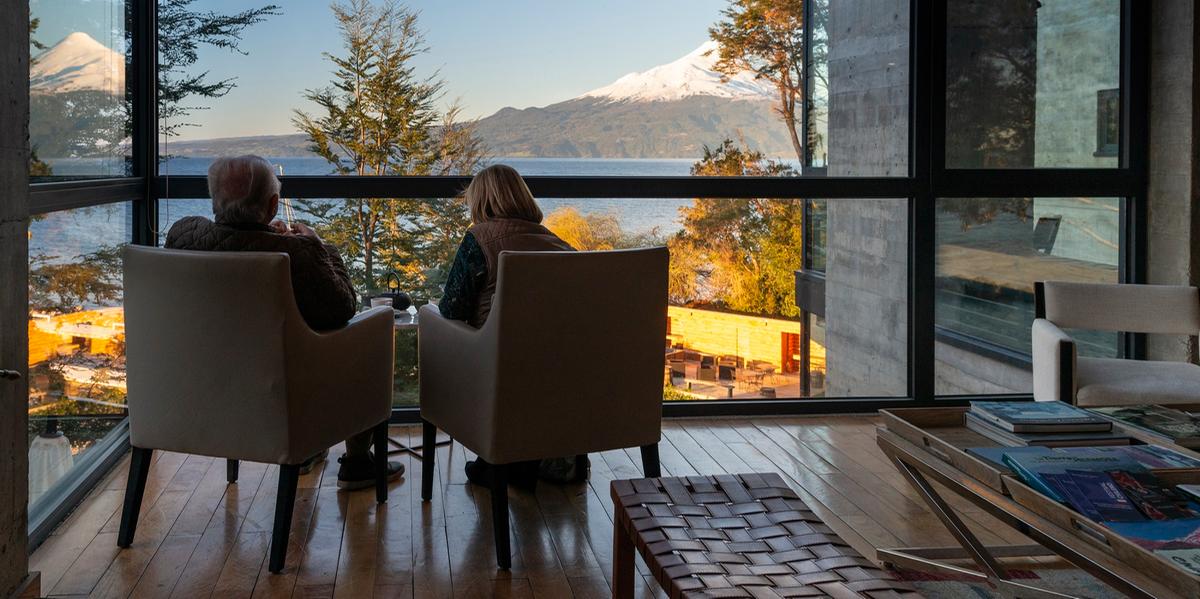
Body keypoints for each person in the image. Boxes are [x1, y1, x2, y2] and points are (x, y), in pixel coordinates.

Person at [165, 154, 403, 490]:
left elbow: (231, 240)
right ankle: (357, 461)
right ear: (274, 205)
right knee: (365, 335)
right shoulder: (298, 254)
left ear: (214, 199)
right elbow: (343, 306)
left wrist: (270, 236)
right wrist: (317, 245)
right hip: (283, 394)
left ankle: (309, 451)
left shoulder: (181, 236)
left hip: (206, 388)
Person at [438, 164, 583, 488]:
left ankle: (501, 458)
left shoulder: (479, 239)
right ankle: (539, 456)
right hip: (557, 369)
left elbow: (451, 309)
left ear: (481, 201)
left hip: (496, 369)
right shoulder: (559, 245)